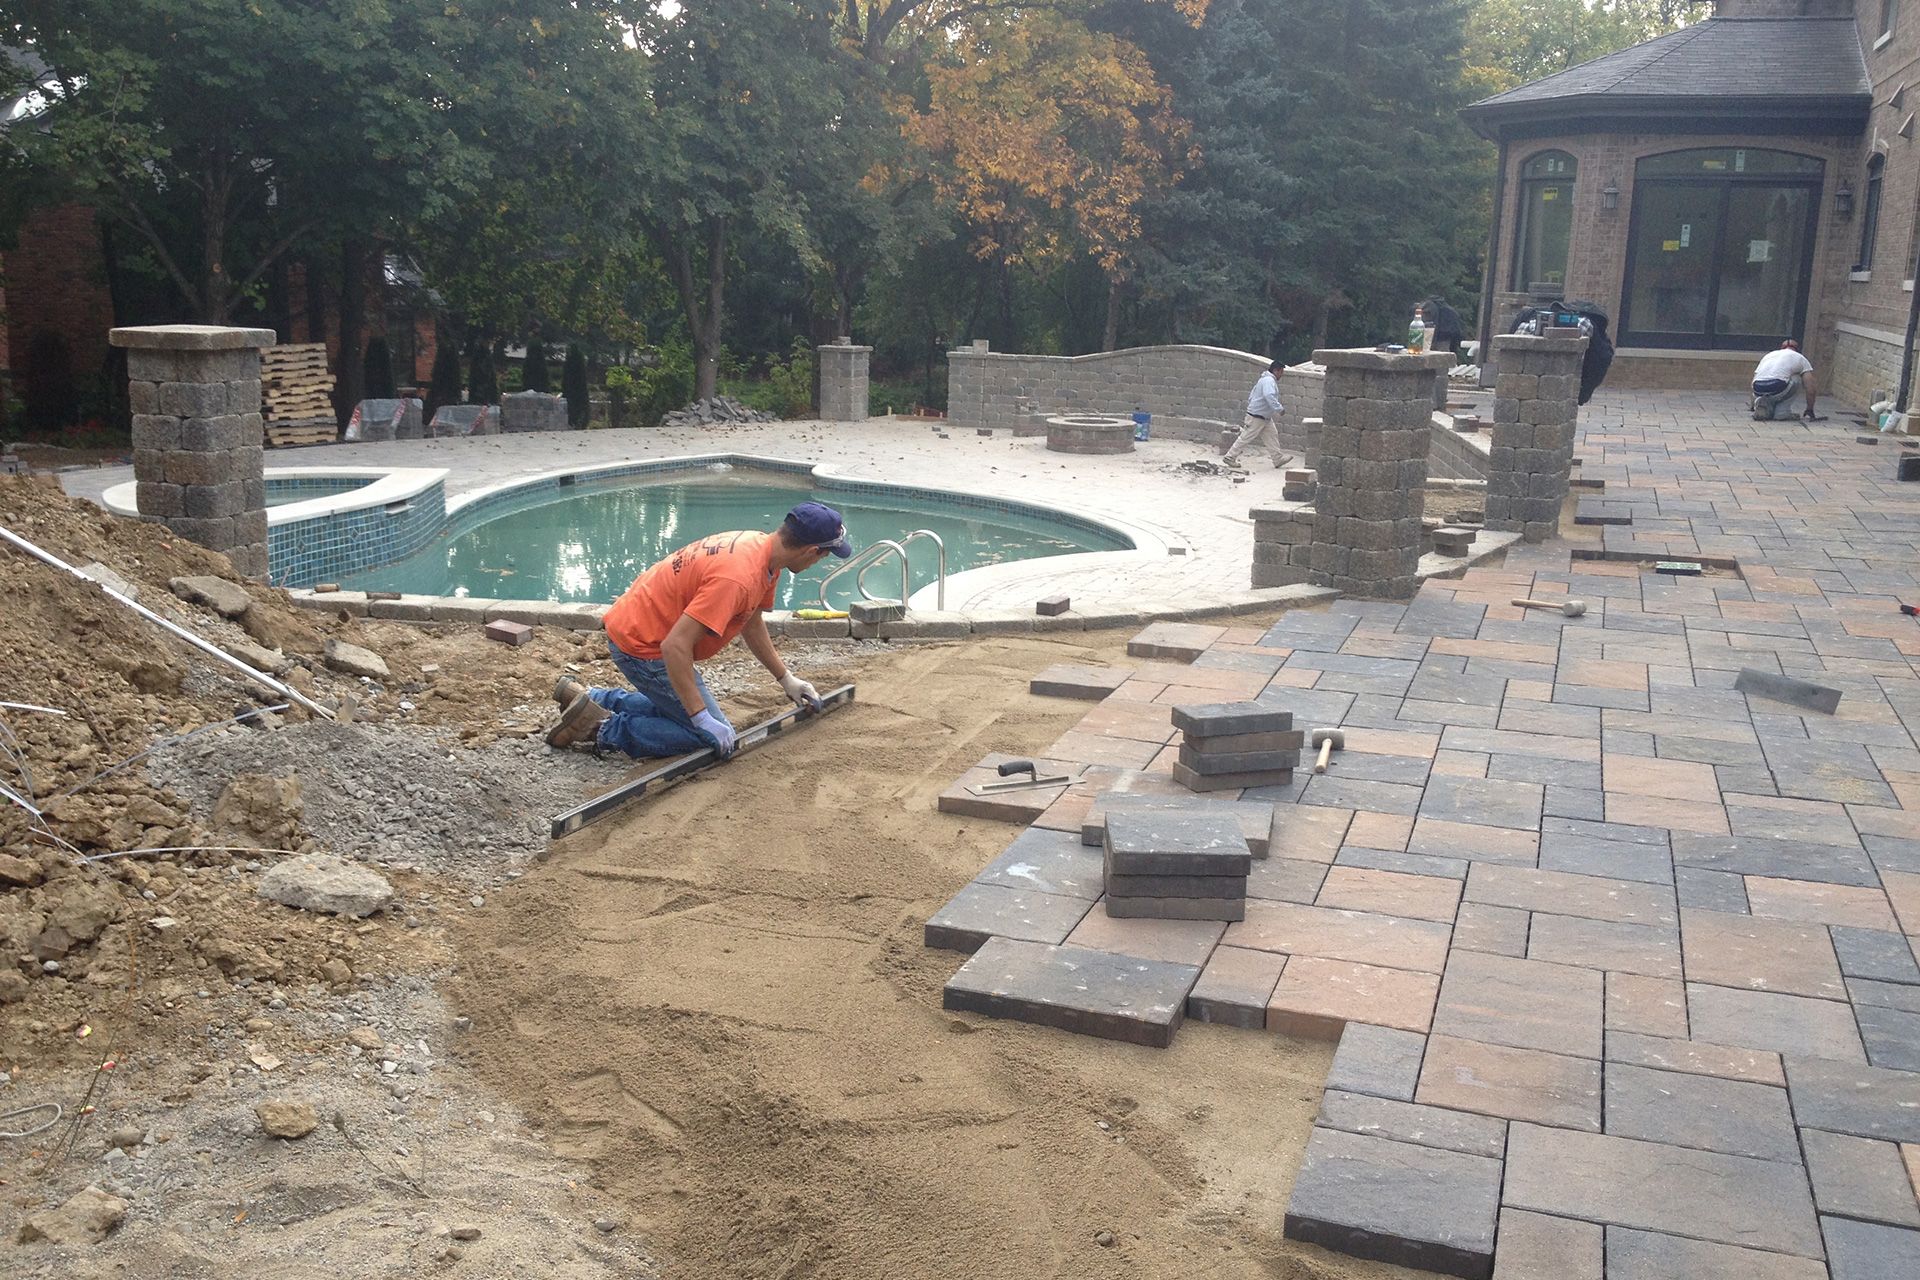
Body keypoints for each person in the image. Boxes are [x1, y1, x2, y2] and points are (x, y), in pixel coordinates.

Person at [546, 502, 853, 757]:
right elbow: (674, 647)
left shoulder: (763, 554)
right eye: (825, 554)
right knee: (709, 737)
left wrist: (787, 679)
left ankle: (593, 698)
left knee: (690, 713)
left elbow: (751, 620)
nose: (822, 560)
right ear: (812, 551)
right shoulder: (738, 579)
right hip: (644, 646)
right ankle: (599, 728)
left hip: (641, 623)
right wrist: (701, 717)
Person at [1222, 359, 1289, 470]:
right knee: (1245, 437)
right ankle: (1230, 457)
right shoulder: (1268, 381)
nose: (1282, 375)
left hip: (1263, 417)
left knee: (1272, 436)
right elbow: (1269, 396)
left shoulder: (1264, 380)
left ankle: (1277, 459)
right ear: (1276, 371)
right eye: (1281, 372)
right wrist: (1279, 408)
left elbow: (1252, 396)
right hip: (1257, 417)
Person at [1750, 340, 1822, 421]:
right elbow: (1810, 388)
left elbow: (1755, 378)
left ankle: (1763, 405)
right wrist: (1810, 409)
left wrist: (1752, 405)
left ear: (1781, 348)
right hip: (1777, 388)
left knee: (1769, 380)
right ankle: (1782, 412)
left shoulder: (1768, 355)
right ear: (1797, 349)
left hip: (1758, 389)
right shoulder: (1800, 358)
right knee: (1796, 377)